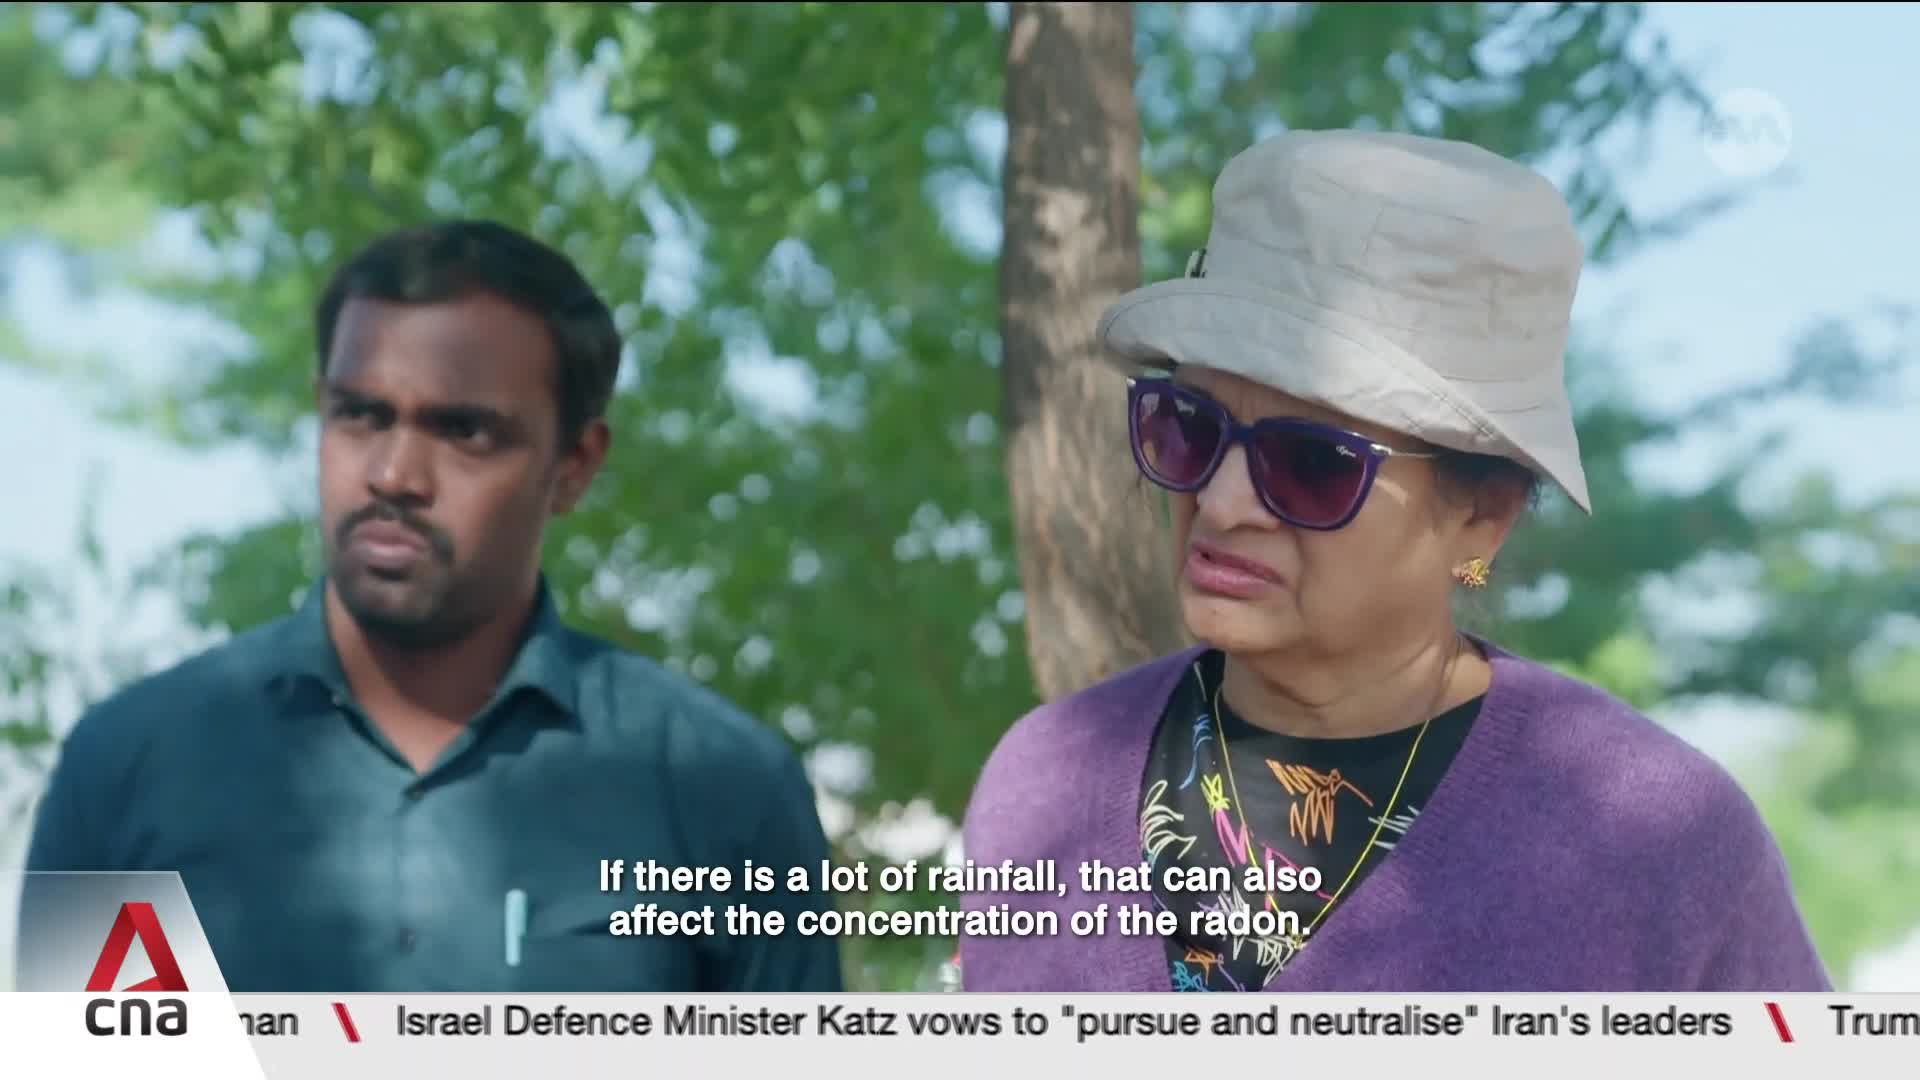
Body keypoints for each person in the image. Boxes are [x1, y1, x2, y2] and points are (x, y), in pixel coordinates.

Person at [957, 130, 1831, 992]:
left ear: (1482, 516)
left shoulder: (1658, 844)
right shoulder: (1041, 782)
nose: (1220, 502)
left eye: (1311, 464)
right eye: (1188, 426)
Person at [20, 220, 843, 993]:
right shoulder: (130, 765)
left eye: (464, 431)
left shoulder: (722, 787)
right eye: (360, 415)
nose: (394, 474)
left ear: (575, 464)